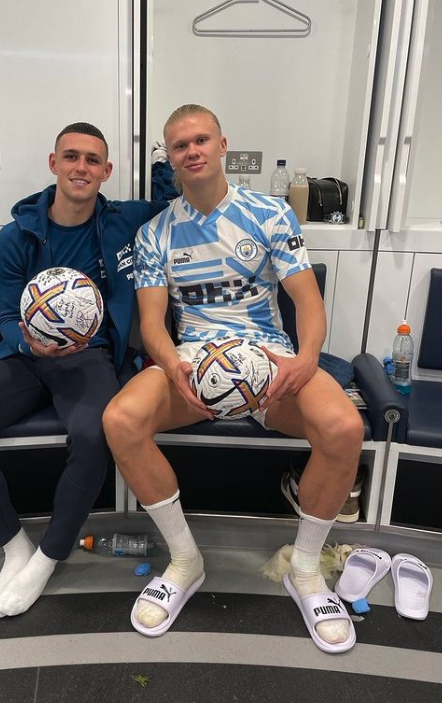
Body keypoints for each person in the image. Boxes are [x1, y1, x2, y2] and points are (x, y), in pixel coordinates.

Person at [102, 104, 364, 653]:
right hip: (195, 369)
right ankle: (184, 560)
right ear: (169, 158)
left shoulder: (270, 215)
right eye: (179, 145)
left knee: (344, 428)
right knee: (120, 419)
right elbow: (152, 323)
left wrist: (307, 357)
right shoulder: (155, 233)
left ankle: (307, 570)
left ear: (222, 145)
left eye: (201, 140)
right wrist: (171, 363)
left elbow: (308, 303)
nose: (191, 151)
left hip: (269, 366)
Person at [0, 122, 166, 619]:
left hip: (90, 360)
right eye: (71, 157)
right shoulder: (17, 235)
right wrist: (30, 340)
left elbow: (175, 205)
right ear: (53, 163)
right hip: (23, 357)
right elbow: (4, 317)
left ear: (106, 171)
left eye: (92, 160)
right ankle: (13, 545)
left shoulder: (125, 221)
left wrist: (164, 162)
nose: (81, 167)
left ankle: (49, 555)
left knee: (93, 434)